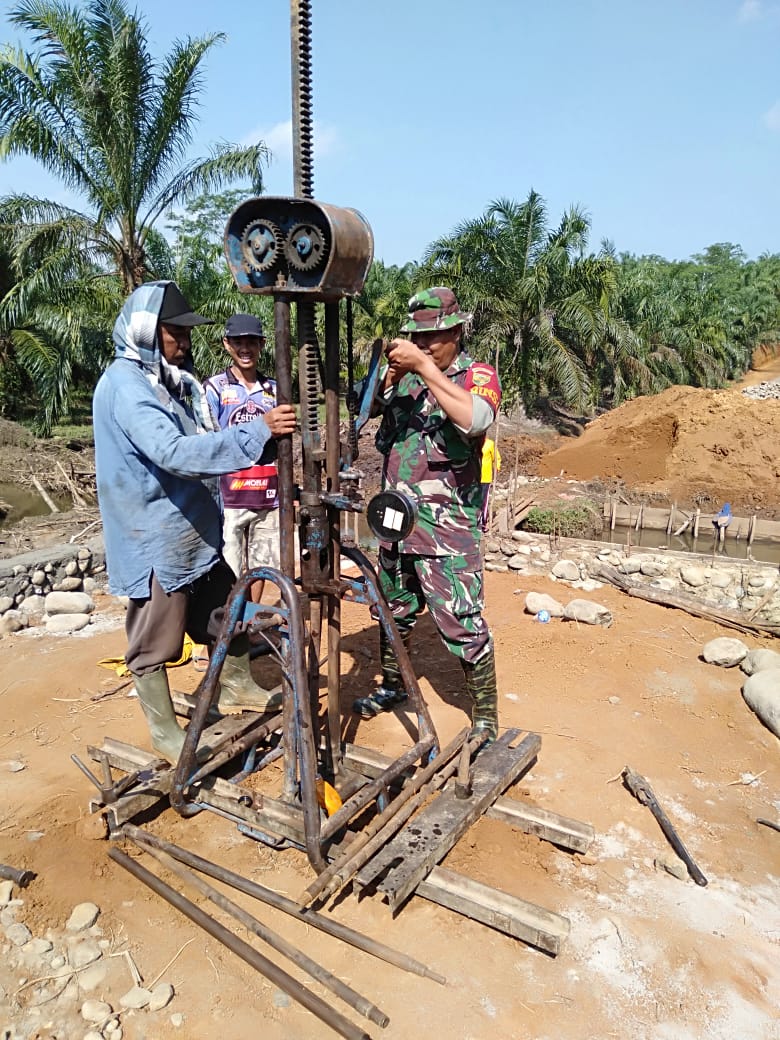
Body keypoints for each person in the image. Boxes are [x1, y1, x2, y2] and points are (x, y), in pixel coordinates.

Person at [93, 281, 297, 763]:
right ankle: (165, 733)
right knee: (154, 641)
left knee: (227, 609)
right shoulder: (127, 387)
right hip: (155, 537)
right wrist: (257, 431)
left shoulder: (166, 381)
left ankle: (235, 685)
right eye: (174, 333)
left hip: (192, 530)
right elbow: (173, 452)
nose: (183, 343)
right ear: (146, 333)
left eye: (185, 334)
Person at [352, 287, 502, 741]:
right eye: (417, 338)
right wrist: (385, 378)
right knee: (393, 610)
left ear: (456, 331)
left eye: (433, 337)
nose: (424, 345)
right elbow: (360, 412)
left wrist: (427, 369)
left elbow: (475, 420)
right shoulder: (407, 377)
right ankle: (394, 686)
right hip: (395, 520)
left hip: (447, 529)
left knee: (461, 619)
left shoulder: (477, 374)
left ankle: (487, 716)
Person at [203, 314, 279, 605]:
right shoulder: (215, 388)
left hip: (268, 493)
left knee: (262, 563)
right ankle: (231, 623)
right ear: (227, 344)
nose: (245, 348)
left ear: (261, 345)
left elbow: (286, 441)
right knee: (230, 564)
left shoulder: (274, 389)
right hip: (230, 495)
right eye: (238, 342)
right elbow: (208, 440)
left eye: (251, 341)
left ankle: (252, 617)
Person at [480, 434, 501, 532]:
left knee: (483, 501)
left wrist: (497, 467)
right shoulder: (474, 443)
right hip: (473, 477)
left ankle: (483, 523)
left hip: (485, 477)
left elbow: (496, 458)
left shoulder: (490, 444)